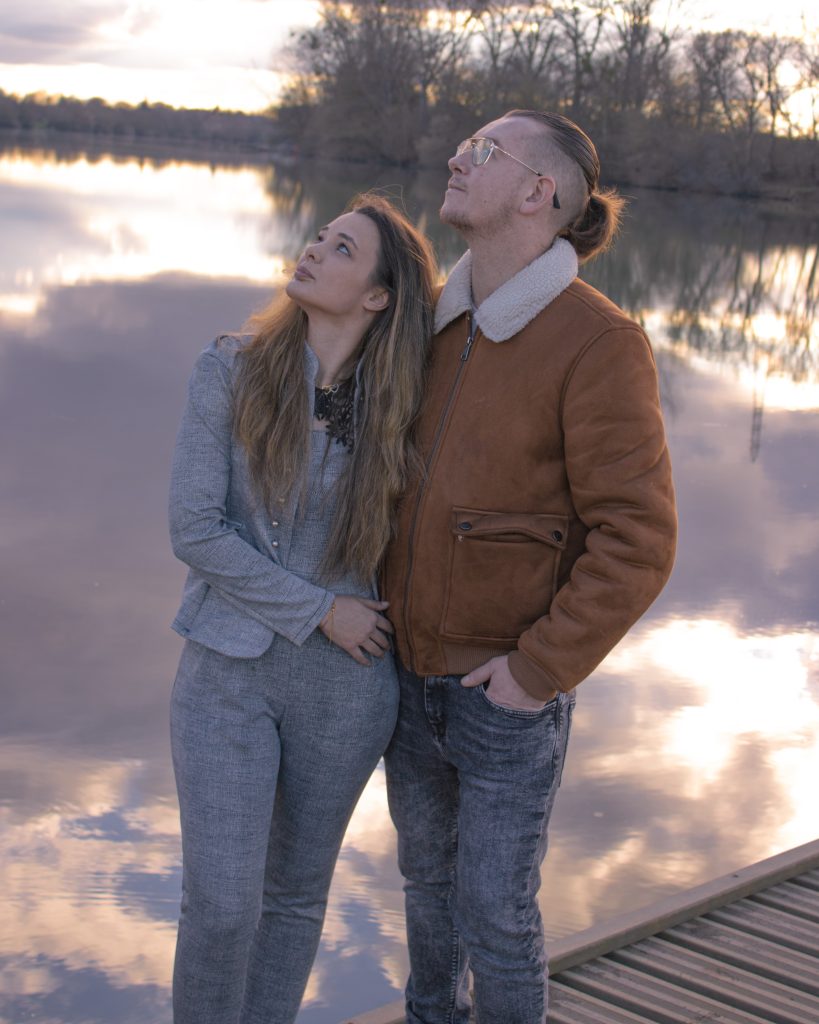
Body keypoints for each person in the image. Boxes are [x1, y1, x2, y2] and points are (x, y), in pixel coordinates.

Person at [382, 111, 678, 1023]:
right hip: (403, 673)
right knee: (426, 895)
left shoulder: (597, 341)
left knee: (494, 915)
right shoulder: (429, 317)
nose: (454, 158)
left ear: (535, 192)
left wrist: (533, 672)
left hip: (502, 690)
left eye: (481, 151)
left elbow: (637, 538)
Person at [168, 193, 437, 1024]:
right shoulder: (230, 367)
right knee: (221, 904)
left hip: (347, 689)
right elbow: (195, 530)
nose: (313, 249)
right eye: (319, 236)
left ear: (379, 296)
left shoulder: (408, 405)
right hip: (227, 673)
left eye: (341, 247)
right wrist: (321, 609)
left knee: (291, 901)